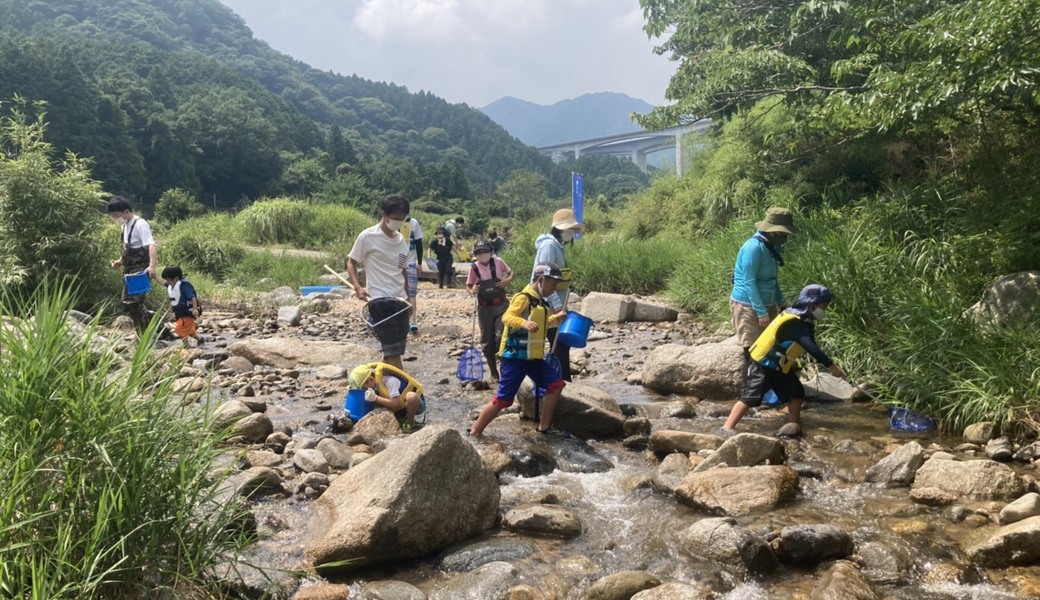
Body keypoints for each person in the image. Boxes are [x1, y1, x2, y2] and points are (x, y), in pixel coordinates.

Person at [720, 284, 846, 437]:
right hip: (764, 362)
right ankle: (726, 428)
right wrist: (832, 366)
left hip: (779, 365)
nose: (824, 311)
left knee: (796, 392)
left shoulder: (804, 320)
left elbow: (811, 345)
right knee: (752, 395)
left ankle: (794, 426)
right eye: (823, 307)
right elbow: (811, 347)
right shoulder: (794, 322)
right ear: (812, 306)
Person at [470, 262, 569, 437]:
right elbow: (507, 317)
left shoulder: (540, 301)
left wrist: (555, 318)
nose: (554, 289)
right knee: (503, 400)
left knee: (556, 384)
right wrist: (524, 323)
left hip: (533, 359)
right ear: (541, 280)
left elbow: (540, 326)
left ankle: (544, 428)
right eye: (553, 284)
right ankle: (475, 431)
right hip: (514, 358)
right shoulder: (523, 297)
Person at [731, 207, 798, 377]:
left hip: (767, 303)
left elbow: (772, 280)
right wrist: (761, 312)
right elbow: (749, 282)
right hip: (748, 305)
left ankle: (767, 389)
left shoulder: (770, 248)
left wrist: (781, 303)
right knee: (752, 350)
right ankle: (749, 393)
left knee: (769, 346)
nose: (786, 238)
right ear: (773, 232)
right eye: (784, 234)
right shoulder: (753, 248)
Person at [347, 194, 411, 371]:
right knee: (393, 352)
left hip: (400, 300)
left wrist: (408, 298)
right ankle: (402, 392)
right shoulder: (368, 236)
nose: (398, 222)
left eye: (401, 218)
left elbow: (403, 270)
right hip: (379, 301)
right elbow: (352, 261)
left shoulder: (401, 242)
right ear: (384, 214)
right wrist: (358, 287)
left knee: (394, 350)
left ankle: (373, 382)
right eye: (395, 218)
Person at [532, 208, 583, 381]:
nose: (572, 233)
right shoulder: (548, 246)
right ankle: (560, 385)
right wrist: (556, 305)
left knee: (561, 346)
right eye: (570, 229)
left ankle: (561, 383)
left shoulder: (556, 246)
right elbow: (543, 279)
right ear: (561, 229)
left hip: (556, 304)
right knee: (559, 346)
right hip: (549, 305)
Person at [466, 240, 514, 381]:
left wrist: (507, 280)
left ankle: (504, 369)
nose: (482, 255)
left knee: (501, 337)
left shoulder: (498, 262)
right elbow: (468, 285)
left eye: (485, 252)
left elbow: (511, 272)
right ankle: (494, 373)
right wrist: (472, 290)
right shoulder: (474, 267)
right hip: (484, 308)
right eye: (479, 253)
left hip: (501, 305)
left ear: (490, 252)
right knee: (487, 341)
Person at [107, 197, 158, 332]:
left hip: (140, 271)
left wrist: (152, 267)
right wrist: (120, 261)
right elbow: (129, 249)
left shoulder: (140, 224)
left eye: (116, 215)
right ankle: (156, 329)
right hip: (129, 270)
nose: (115, 218)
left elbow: (151, 246)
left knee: (132, 303)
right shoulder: (124, 226)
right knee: (130, 304)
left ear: (126, 211)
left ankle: (145, 334)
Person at [349, 362, 426, 433]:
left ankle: (410, 422)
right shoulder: (374, 383)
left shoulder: (391, 381)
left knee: (411, 397)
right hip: (399, 407)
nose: (364, 391)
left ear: (371, 379)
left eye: (364, 388)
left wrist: (375, 398)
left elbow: (396, 403)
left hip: (414, 404)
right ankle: (400, 417)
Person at [161, 265, 203, 347]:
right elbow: (163, 283)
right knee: (189, 330)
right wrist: (154, 276)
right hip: (181, 313)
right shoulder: (173, 284)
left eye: (168, 280)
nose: (167, 282)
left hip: (187, 312)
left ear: (176, 278)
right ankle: (201, 340)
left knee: (180, 330)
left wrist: (194, 309)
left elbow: (192, 297)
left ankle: (186, 346)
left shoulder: (183, 285)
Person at [399, 214, 424, 333]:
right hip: (395, 263)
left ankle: (413, 321)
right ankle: (400, 321)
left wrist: (419, 263)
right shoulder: (390, 223)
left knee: (412, 293)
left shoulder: (413, 223)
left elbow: (419, 244)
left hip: (410, 263)